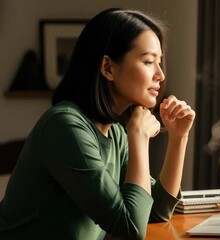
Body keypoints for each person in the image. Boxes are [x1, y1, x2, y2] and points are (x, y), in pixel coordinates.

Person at [0, 8, 195, 240]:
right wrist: (139, 137)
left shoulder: (115, 133)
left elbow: (157, 211)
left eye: (159, 62)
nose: (160, 75)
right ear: (108, 68)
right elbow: (130, 230)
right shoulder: (65, 126)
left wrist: (178, 137)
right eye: (149, 62)